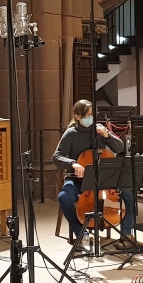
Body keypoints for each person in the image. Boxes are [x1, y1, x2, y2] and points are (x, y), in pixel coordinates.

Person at [53, 100, 135, 241]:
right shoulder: (71, 134)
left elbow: (120, 148)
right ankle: (81, 234)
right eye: (87, 115)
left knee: (129, 195)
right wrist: (73, 164)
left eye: (92, 115)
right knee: (64, 197)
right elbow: (56, 157)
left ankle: (126, 235)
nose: (90, 118)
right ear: (77, 116)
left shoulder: (100, 130)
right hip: (78, 180)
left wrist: (108, 136)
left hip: (104, 180)